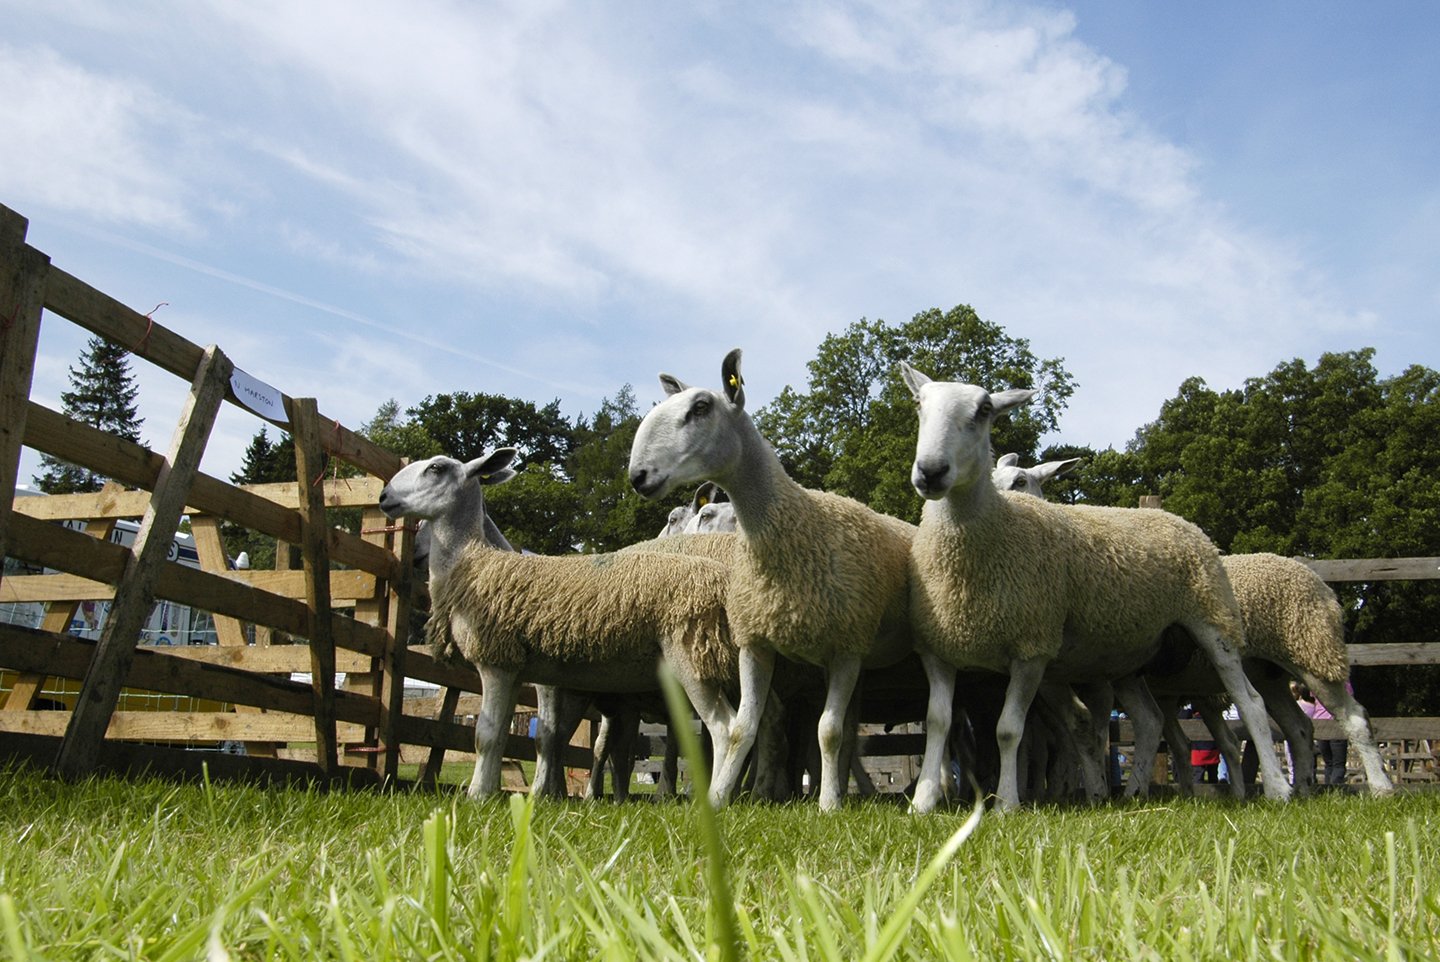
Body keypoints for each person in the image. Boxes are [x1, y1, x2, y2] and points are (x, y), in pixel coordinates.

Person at [1299, 683, 1351, 787]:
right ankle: (1335, 789)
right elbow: (1349, 699)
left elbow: (1312, 696)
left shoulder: (1318, 682)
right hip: (1336, 723)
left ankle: (1328, 788)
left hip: (1320, 724)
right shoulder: (1345, 683)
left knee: (1329, 763)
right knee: (1339, 764)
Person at [1184, 704, 1221, 783]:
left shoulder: (1192, 721)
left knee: (1198, 776)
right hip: (1213, 752)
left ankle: (1197, 793)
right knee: (1213, 776)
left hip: (1198, 753)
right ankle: (1214, 793)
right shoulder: (1214, 719)